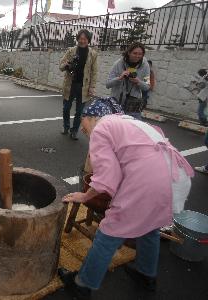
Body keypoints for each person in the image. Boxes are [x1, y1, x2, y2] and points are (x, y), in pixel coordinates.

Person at [58, 97, 194, 300]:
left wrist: (85, 195)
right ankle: (146, 275)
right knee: (150, 228)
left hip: (148, 182)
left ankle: (82, 284)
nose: (82, 127)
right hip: (174, 177)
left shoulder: (102, 128)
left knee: (108, 232)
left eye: (83, 118)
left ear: (94, 117)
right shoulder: (129, 121)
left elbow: (107, 178)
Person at [59, 29, 98, 140]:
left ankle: (74, 131)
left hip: (83, 87)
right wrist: (66, 64)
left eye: (85, 39)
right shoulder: (71, 51)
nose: (82, 41)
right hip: (70, 85)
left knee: (79, 111)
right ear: (77, 39)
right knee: (66, 108)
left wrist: (92, 87)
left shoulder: (93, 54)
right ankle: (66, 127)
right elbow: (61, 66)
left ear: (88, 40)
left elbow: (94, 72)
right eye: (80, 38)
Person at [106, 42, 151, 120]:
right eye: (135, 53)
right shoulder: (118, 64)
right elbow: (108, 84)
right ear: (129, 52)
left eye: (140, 54)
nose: (137, 56)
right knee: (115, 128)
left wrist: (138, 82)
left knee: (133, 128)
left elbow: (147, 86)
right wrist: (119, 78)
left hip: (133, 104)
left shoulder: (145, 65)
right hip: (117, 101)